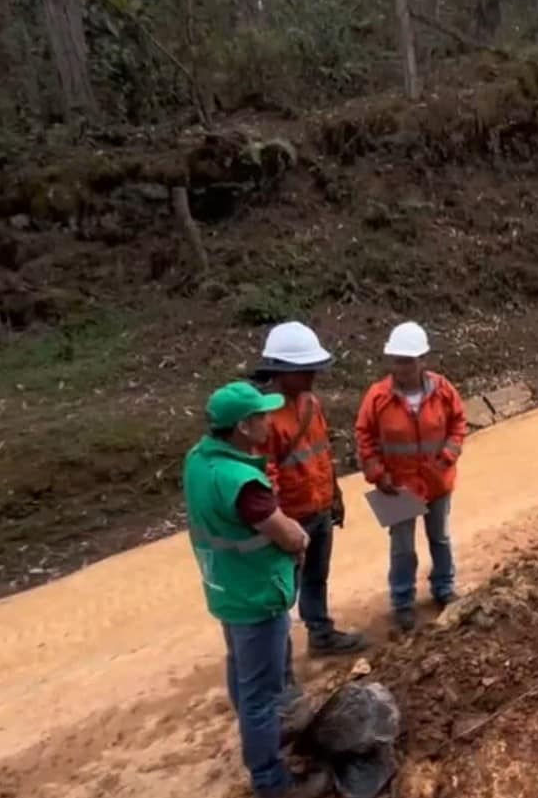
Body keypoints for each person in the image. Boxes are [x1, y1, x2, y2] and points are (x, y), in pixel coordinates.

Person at [183, 382, 330, 798]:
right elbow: (286, 535)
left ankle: (257, 730)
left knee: (243, 674)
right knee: (262, 695)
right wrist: (300, 540)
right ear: (244, 427)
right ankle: (272, 780)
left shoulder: (199, 461)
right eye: (262, 416)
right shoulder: (244, 484)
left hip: (226, 586)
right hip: (257, 593)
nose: (269, 421)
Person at [255, 322, 367, 657]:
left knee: (317, 576)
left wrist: (335, 494)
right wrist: (278, 523)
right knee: (282, 589)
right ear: (280, 371)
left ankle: (320, 632)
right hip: (291, 517)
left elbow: (322, 452)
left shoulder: (311, 404)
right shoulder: (265, 417)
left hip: (318, 506)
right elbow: (265, 475)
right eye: (304, 371)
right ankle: (279, 656)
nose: (312, 376)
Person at [355, 322, 468, 631]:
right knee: (402, 546)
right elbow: (364, 436)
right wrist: (377, 473)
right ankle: (402, 601)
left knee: (440, 537)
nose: (401, 367)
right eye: (397, 360)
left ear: (423, 360)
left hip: (436, 480)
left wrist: (448, 455)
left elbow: (459, 423)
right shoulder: (378, 396)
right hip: (396, 485)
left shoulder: (443, 390)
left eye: (408, 360)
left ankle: (444, 588)